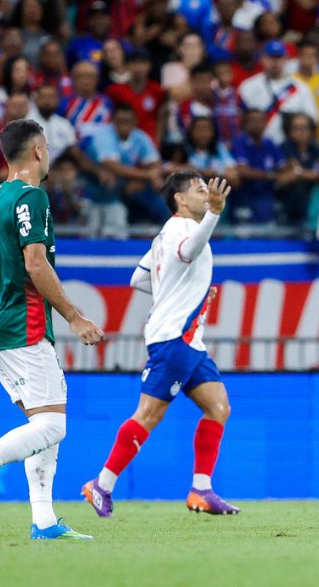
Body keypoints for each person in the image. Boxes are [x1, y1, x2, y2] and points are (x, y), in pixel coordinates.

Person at [0, 119, 104, 540]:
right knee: (53, 427)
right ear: (36, 151)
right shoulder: (31, 198)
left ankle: (45, 521)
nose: (47, 155)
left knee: (42, 423)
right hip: (24, 326)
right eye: (46, 148)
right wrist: (74, 316)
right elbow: (35, 263)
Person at [84, 171, 240, 518]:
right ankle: (102, 484)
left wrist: (179, 290)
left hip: (188, 341)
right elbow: (188, 251)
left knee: (218, 406)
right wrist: (214, 214)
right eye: (199, 190)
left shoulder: (164, 235)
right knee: (149, 415)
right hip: (174, 338)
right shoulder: (183, 230)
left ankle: (201, 489)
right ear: (180, 200)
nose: (207, 193)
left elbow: (139, 278)